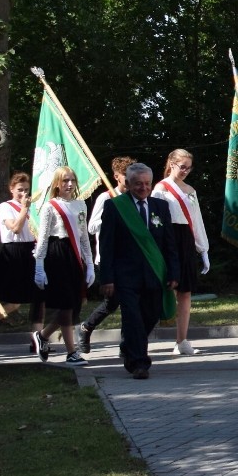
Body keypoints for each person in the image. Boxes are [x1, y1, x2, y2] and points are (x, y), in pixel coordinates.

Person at [99, 162, 179, 379]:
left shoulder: (160, 207)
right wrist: (106, 277)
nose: (143, 188)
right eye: (137, 184)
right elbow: (106, 245)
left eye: (147, 184)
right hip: (126, 275)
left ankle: (128, 346)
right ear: (127, 183)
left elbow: (169, 243)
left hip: (154, 272)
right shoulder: (115, 207)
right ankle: (139, 363)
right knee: (132, 318)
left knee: (151, 315)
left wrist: (173, 272)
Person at [31, 166, 96, 366]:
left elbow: (84, 236)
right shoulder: (51, 206)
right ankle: (71, 353)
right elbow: (42, 237)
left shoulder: (81, 205)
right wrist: (39, 266)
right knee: (66, 304)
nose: (69, 184)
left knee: (74, 304)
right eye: (65, 180)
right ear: (57, 184)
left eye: (72, 180)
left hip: (74, 254)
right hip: (56, 253)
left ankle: (42, 336)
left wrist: (90, 264)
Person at [152, 149, 210, 355]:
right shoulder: (160, 189)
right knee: (162, 290)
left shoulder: (190, 190)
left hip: (185, 239)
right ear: (171, 164)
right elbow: (155, 220)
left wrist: (203, 249)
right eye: (181, 166)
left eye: (188, 167)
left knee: (185, 292)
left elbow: (197, 220)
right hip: (167, 239)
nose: (185, 170)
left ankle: (182, 340)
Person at [77, 156, 135, 354]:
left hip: (128, 257)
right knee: (113, 302)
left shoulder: (133, 198)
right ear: (116, 176)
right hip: (108, 258)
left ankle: (126, 345)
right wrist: (112, 218)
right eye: (125, 176)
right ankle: (87, 327)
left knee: (129, 301)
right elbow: (91, 227)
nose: (129, 180)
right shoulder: (106, 198)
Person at [0, 172, 44, 343]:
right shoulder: (5, 207)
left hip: (31, 251)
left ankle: (37, 340)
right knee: (14, 302)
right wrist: (24, 208)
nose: (23, 193)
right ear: (11, 189)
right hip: (13, 252)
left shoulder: (33, 207)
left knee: (40, 297)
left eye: (26, 190)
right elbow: (15, 228)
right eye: (19, 190)